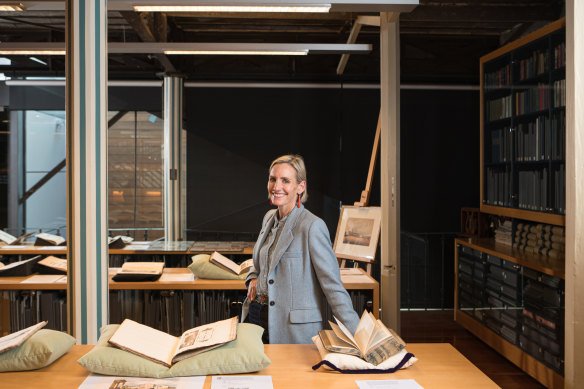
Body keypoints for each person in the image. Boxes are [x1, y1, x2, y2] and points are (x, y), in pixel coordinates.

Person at [241, 154, 360, 344]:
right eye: (273, 179)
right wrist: (253, 277)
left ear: (300, 187)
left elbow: (333, 287)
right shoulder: (269, 218)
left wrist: (360, 337)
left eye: (285, 181)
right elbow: (262, 264)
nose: (276, 187)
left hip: (290, 329)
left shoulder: (312, 226)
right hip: (256, 315)